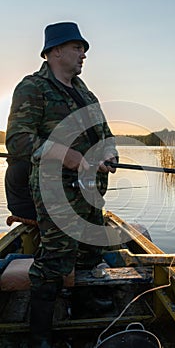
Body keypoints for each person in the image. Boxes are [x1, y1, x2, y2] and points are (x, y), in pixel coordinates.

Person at [5, 21, 118, 347]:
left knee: (89, 253)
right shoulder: (33, 87)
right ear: (54, 51)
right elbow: (18, 140)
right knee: (54, 262)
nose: (83, 53)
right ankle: (41, 337)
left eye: (83, 48)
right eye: (77, 47)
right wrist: (66, 155)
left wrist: (109, 153)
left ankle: (82, 313)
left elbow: (105, 135)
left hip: (91, 192)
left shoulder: (86, 93)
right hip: (55, 192)